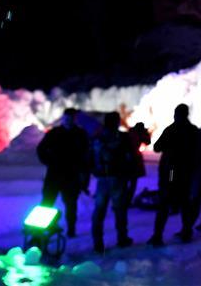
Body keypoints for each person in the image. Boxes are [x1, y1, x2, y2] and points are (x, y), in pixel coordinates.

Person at [149, 104, 199, 246]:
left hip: (171, 172)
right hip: (186, 172)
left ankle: (158, 236)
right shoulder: (193, 130)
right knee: (185, 203)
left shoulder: (171, 130)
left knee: (165, 202)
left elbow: (157, 147)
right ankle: (186, 232)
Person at [36, 108, 90, 238]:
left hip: (71, 175)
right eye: (66, 118)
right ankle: (42, 228)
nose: (68, 121)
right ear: (63, 119)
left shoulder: (80, 134)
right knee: (47, 202)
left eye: (71, 119)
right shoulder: (55, 133)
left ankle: (71, 229)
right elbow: (41, 149)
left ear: (74, 119)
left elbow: (87, 155)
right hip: (54, 174)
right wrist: (49, 162)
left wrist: (84, 175)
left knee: (71, 204)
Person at [90, 112, 135, 253]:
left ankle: (98, 243)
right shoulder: (122, 137)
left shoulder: (98, 138)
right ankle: (122, 239)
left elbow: (90, 157)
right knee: (120, 210)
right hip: (118, 178)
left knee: (99, 211)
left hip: (102, 179)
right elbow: (130, 157)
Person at [125, 122, 151, 207]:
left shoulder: (129, 133)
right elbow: (148, 142)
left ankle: (124, 201)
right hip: (133, 161)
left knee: (126, 182)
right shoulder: (137, 134)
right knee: (132, 183)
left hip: (127, 161)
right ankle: (126, 201)